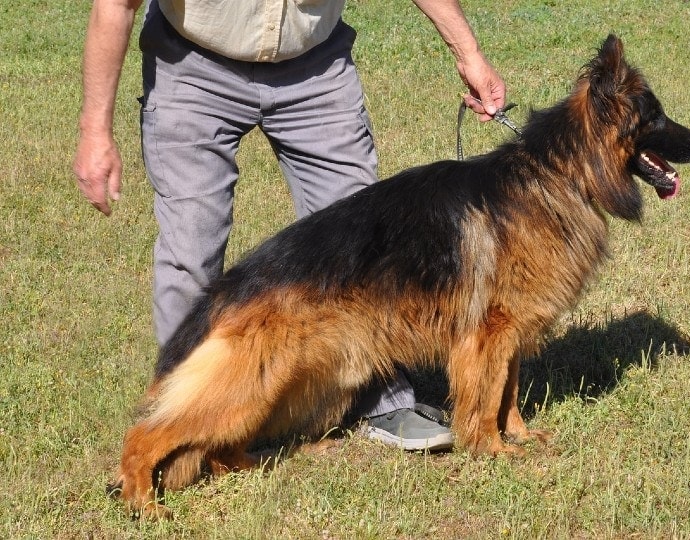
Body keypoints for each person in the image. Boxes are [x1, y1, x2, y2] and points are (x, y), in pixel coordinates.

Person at [73, 0, 507, 451]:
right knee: (191, 251)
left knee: (367, 247)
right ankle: (181, 423)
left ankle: (381, 402)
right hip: (192, 65)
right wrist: (94, 132)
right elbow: (115, 5)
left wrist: (469, 54)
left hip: (314, 68)